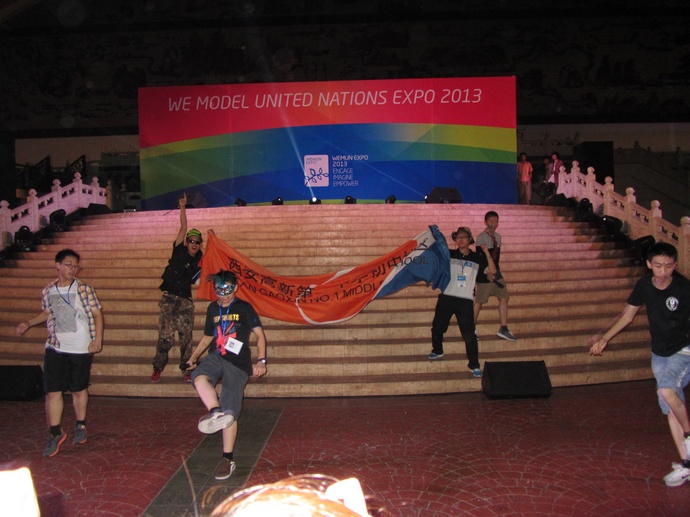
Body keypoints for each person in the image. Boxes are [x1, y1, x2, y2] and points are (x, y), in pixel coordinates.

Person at [588, 242, 690, 487]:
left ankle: (689, 436)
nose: (663, 271)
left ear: (675, 265)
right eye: (658, 266)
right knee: (670, 406)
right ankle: (687, 464)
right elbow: (627, 315)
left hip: (684, 350)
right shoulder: (644, 285)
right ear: (649, 264)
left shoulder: (684, 288)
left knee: (666, 390)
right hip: (659, 353)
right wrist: (605, 338)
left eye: (668, 266)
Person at [15, 248, 104, 457]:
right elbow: (47, 312)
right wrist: (29, 323)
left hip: (80, 346)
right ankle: (55, 432)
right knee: (52, 391)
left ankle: (80, 424)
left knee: (78, 388)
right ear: (58, 265)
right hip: (56, 345)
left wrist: (98, 339)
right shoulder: (48, 290)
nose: (73, 269)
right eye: (68, 265)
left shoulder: (84, 289)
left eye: (75, 266)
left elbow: (97, 314)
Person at [187, 270, 267, 480]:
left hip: (238, 363)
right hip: (216, 356)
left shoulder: (244, 308)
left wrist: (261, 360)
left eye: (228, 290)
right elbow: (208, 336)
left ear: (235, 287)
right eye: (219, 291)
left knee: (230, 410)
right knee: (199, 376)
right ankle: (215, 411)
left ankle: (227, 458)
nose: (223, 295)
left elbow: (259, 335)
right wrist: (194, 357)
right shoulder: (213, 308)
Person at [428, 227, 496, 377]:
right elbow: (434, 255)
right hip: (447, 297)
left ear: (470, 239)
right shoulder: (449, 254)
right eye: (458, 237)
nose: (460, 239)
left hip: (465, 301)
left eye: (464, 237)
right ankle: (437, 350)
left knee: (469, 334)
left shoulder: (477, 258)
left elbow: (493, 271)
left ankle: (474, 365)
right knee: (437, 327)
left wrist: (486, 252)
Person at [150, 192, 203, 383]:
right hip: (169, 297)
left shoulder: (200, 259)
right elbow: (183, 227)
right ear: (187, 242)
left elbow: (201, 278)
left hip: (185, 300)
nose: (194, 244)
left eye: (197, 242)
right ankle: (158, 367)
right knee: (165, 336)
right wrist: (182, 207)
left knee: (186, 337)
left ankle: (186, 369)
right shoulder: (179, 249)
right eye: (191, 241)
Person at [474, 211, 517, 342]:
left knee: (504, 297)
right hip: (484, 272)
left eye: (496, 221)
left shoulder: (498, 237)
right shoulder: (481, 238)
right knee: (480, 300)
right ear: (486, 222)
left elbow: (496, 257)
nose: (494, 223)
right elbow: (480, 258)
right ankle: (471, 327)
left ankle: (503, 328)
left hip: (496, 271)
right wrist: (487, 272)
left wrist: (495, 271)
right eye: (491, 221)